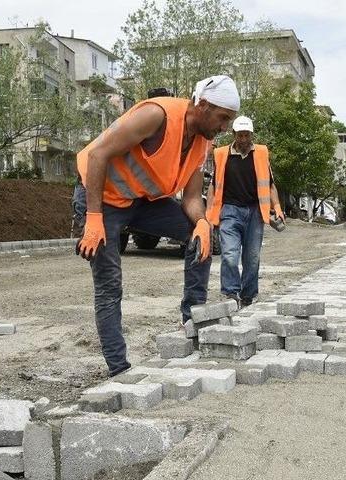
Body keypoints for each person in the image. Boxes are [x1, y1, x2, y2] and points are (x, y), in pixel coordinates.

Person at [73, 75, 240, 377]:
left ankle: (192, 323)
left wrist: (202, 222)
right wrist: (93, 217)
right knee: (110, 284)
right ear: (203, 105)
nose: (225, 127)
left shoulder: (202, 142)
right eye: (223, 117)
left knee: (199, 238)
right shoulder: (156, 115)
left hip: (140, 201)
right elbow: (98, 154)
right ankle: (119, 370)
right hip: (101, 199)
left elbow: (192, 197)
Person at [206, 116, 284, 307]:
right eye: (240, 135)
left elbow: (270, 185)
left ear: (251, 135)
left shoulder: (261, 153)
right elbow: (214, 185)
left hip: (255, 212)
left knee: (252, 258)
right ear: (233, 134)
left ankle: (248, 296)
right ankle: (231, 293)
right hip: (230, 211)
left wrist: (277, 207)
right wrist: (209, 214)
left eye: (246, 135)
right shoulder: (221, 154)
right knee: (230, 256)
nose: (243, 139)